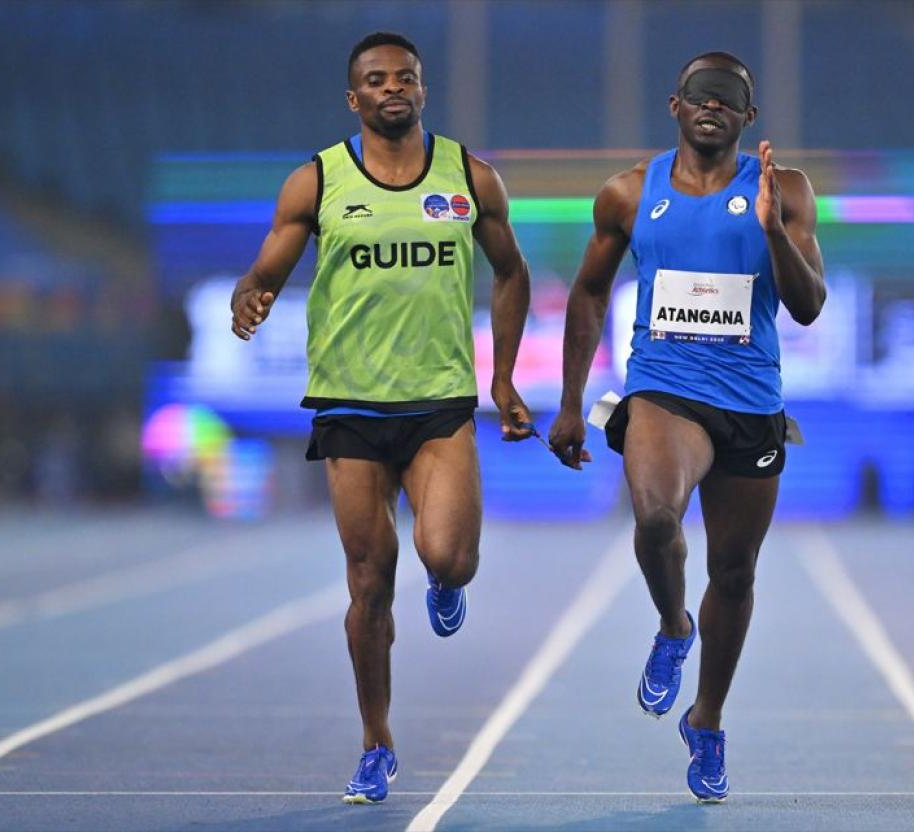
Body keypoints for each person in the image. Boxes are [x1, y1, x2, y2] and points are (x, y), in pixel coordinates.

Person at [230, 31, 534, 805]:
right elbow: (268, 266)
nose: (392, 88)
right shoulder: (317, 181)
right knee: (368, 582)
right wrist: (251, 296)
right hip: (352, 404)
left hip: (439, 403)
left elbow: (510, 273)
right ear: (354, 97)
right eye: (376, 80)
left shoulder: (471, 177)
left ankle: (447, 579)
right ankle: (376, 743)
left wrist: (501, 377)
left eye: (406, 78)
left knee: (449, 558)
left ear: (424, 90)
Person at [548, 51, 825, 802]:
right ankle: (673, 625)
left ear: (748, 118)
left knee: (734, 573)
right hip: (663, 389)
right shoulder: (629, 193)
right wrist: (573, 402)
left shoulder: (785, 191)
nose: (712, 107)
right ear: (675, 106)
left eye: (728, 100)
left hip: (750, 402)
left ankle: (707, 719)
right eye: (700, 97)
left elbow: (808, 305)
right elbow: (589, 292)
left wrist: (771, 230)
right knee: (655, 519)